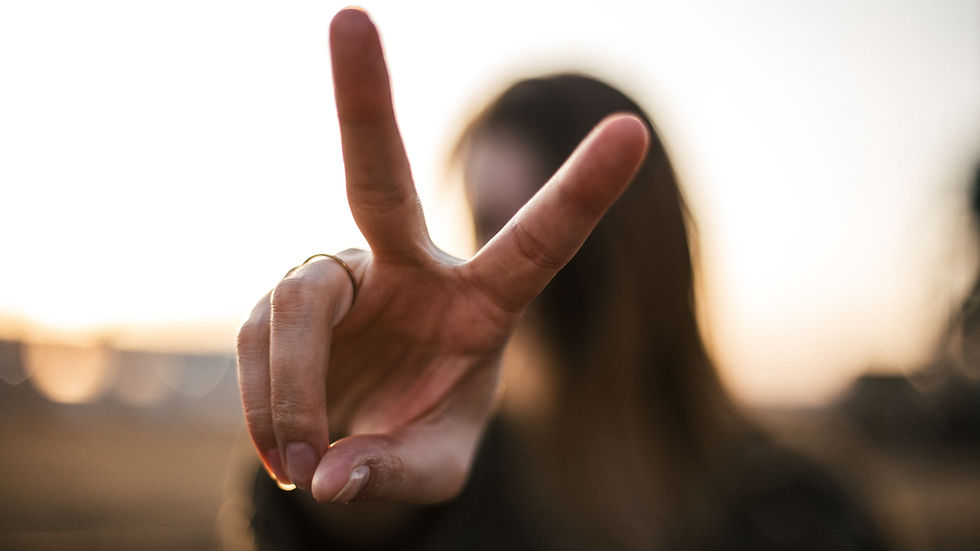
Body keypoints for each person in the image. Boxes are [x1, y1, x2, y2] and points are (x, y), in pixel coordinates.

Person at [237, 8, 887, 550]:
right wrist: (349, 463)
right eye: (487, 227)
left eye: (552, 224)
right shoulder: (457, 488)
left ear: (643, 240)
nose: (507, 268)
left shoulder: (806, 514)